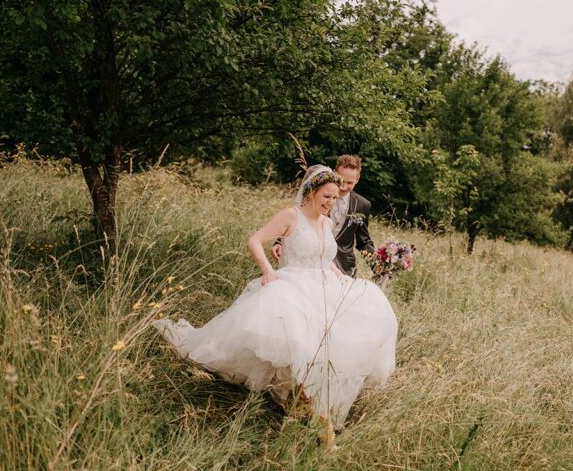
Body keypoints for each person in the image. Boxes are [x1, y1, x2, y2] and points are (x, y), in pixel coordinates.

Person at [152, 165, 397, 442]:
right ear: (311, 192)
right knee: (299, 339)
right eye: (326, 197)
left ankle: (307, 400)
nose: (331, 202)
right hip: (293, 284)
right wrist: (268, 271)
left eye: (334, 198)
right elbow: (255, 240)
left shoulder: (326, 223)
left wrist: (340, 276)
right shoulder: (291, 215)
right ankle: (306, 404)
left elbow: (324, 257)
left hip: (324, 285)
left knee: (358, 317)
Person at [273, 154, 375, 277]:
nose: (344, 187)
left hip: (343, 268)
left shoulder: (363, 205)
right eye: (342, 180)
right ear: (335, 174)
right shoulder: (318, 194)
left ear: (357, 179)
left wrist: (378, 264)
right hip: (312, 265)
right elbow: (299, 219)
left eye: (350, 182)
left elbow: (363, 241)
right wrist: (280, 241)